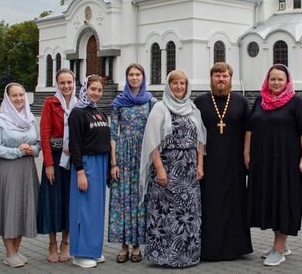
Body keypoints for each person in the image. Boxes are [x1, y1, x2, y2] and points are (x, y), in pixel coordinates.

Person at [245, 64, 302, 267]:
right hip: (263, 160)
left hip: (287, 161)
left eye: (280, 79)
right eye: (272, 79)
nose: (276, 83)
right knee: (270, 199)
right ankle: (279, 242)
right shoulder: (260, 101)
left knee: (284, 198)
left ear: (287, 81)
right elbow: (250, 128)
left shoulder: (296, 103)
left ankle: (280, 248)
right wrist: (246, 152)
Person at [140, 70, 206, 267]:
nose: (179, 87)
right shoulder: (160, 108)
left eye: (182, 84)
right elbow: (152, 141)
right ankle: (164, 257)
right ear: (168, 86)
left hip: (189, 171)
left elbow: (200, 140)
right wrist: (159, 168)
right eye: (175, 83)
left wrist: (200, 165)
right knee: (165, 214)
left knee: (188, 215)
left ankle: (188, 256)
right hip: (167, 169)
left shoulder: (192, 108)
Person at [195, 62, 253, 261]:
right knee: (210, 203)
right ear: (211, 78)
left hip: (235, 162)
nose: (221, 79)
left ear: (230, 78)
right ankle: (208, 248)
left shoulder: (241, 101)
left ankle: (235, 247)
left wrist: (247, 154)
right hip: (209, 162)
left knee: (235, 202)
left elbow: (249, 130)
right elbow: (195, 134)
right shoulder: (200, 102)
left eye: (225, 76)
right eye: (217, 75)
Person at [0, 83, 41, 268]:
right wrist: (17, 151)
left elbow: (38, 144)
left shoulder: (30, 119)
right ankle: (9, 253)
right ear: (7, 99)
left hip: (27, 168)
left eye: (21, 95)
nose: (19, 99)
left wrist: (32, 149)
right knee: (9, 207)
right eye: (14, 96)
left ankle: (17, 250)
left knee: (24, 207)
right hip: (8, 168)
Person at [108, 63, 155, 263]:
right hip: (124, 155)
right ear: (126, 78)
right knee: (122, 200)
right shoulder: (118, 102)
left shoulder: (150, 101)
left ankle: (137, 245)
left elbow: (156, 130)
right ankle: (123, 245)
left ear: (143, 78)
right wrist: (113, 162)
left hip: (143, 154)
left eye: (137, 74)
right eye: (130, 74)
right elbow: (113, 133)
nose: (134, 78)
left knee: (139, 199)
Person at [67, 75, 111, 268]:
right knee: (83, 210)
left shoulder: (99, 112)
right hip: (86, 164)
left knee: (96, 210)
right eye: (92, 89)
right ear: (85, 89)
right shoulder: (77, 112)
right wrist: (80, 171)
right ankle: (80, 253)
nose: (96, 93)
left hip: (100, 164)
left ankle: (94, 249)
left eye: (99, 90)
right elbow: (74, 144)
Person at [37, 68, 77, 263]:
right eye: (62, 83)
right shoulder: (50, 103)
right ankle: (52, 243)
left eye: (69, 82)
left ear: (74, 82)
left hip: (72, 160)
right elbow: (44, 135)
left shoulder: (79, 104)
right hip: (54, 158)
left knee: (69, 201)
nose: (66, 86)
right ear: (57, 84)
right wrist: (48, 165)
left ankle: (66, 242)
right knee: (53, 201)